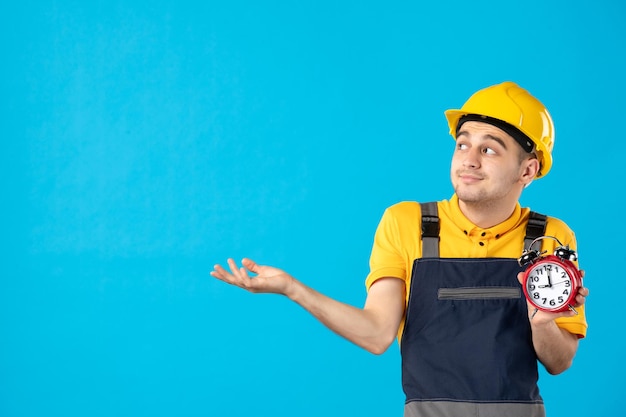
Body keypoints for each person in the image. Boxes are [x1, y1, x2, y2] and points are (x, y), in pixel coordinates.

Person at [211, 81, 589, 417]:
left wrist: (542, 322)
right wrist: (293, 289)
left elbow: (560, 361)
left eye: (490, 150)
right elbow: (377, 334)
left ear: (528, 170)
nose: (468, 160)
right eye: (463, 144)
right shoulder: (407, 223)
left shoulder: (549, 238)